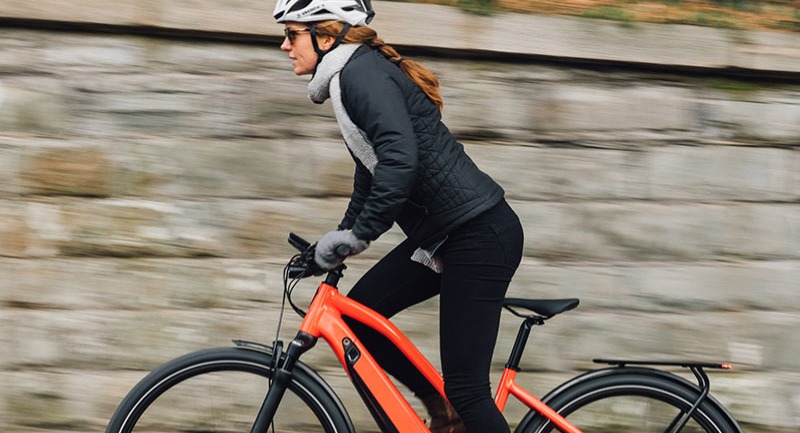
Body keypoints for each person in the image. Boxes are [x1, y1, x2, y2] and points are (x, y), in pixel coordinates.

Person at [273, 1, 524, 432]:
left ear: (326, 36)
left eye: (292, 34)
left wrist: (358, 236)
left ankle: (452, 407)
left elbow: (399, 162)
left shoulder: (360, 75)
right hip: (447, 235)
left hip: (477, 235)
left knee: (468, 391)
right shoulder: (350, 76)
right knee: (356, 318)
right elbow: (371, 176)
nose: (284, 45)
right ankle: (439, 411)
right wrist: (333, 244)